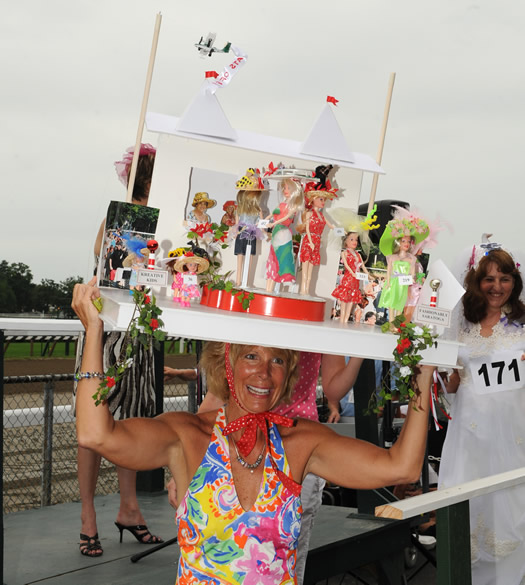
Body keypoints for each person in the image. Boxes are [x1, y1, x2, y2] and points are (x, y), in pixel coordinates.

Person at [73, 278, 433, 584]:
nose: (264, 373)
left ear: (288, 373)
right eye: (251, 357)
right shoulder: (187, 436)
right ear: (226, 363)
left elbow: (399, 467)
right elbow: (95, 435)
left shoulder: (301, 441)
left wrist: (425, 371)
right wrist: (94, 333)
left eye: (277, 360)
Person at [74, 144, 162, 557]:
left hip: (139, 327)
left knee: (134, 420)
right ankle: (88, 515)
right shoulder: (123, 212)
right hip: (106, 326)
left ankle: (128, 507)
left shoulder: (167, 217)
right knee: (94, 422)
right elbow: (99, 254)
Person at [438, 246, 525, 585]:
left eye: (504, 279)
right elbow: (453, 385)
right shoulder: (463, 325)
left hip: (512, 433)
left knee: (510, 512)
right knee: (469, 507)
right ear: (477, 281)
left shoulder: (522, 323)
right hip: (468, 436)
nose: (496, 286)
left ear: (514, 282)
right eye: (489, 278)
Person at [265, 178, 303, 292]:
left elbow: (286, 218)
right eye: (284, 188)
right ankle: (268, 289)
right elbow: (272, 214)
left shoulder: (294, 206)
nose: (285, 190)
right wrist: (263, 221)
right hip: (277, 231)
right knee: (272, 259)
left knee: (280, 259)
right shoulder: (281, 203)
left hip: (283, 233)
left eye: (288, 188)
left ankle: (273, 288)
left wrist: (274, 223)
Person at [298, 182, 337, 296]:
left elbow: (331, 226)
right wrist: (310, 242)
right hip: (309, 242)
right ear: (313, 199)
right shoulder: (310, 213)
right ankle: (302, 289)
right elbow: (308, 229)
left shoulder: (322, 216)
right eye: (321, 199)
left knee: (311, 271)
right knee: (305, 269)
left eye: (324, 200)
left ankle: (307, 290)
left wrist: (341, 231)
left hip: (317, 242)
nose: (323, 202)